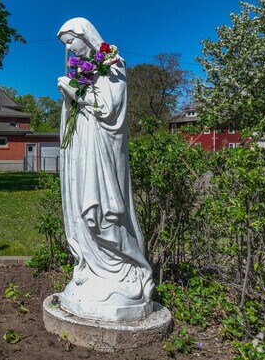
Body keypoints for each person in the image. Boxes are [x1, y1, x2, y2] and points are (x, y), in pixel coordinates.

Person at [56, 17, 154, 321]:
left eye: (71, 42)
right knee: (83, 214)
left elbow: (109, 110)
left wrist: (75, 92)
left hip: (102, 151)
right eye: (66, 46)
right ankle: (93, 266)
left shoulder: (112, 64)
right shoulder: (82, 70)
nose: (69, 50)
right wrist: (71, 94)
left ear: (85, 37)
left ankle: (129, 266)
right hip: (82, 148)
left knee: (101, 213)